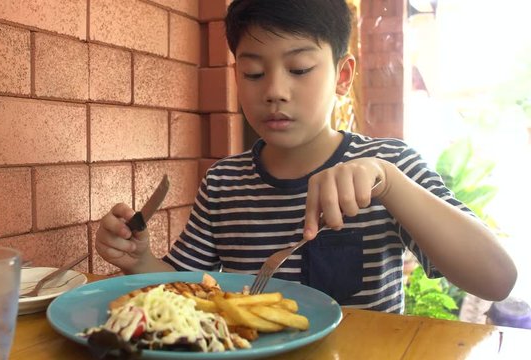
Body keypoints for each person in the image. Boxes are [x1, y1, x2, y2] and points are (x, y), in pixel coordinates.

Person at [95, 0, 517, 313]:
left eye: (299, 69)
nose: (275, 90)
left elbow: (496, 279)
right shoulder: (225, 183)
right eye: (253, 73)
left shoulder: (387, 166)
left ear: (343, 76)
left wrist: (390, 183)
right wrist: (140, 260)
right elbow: (184, 286)